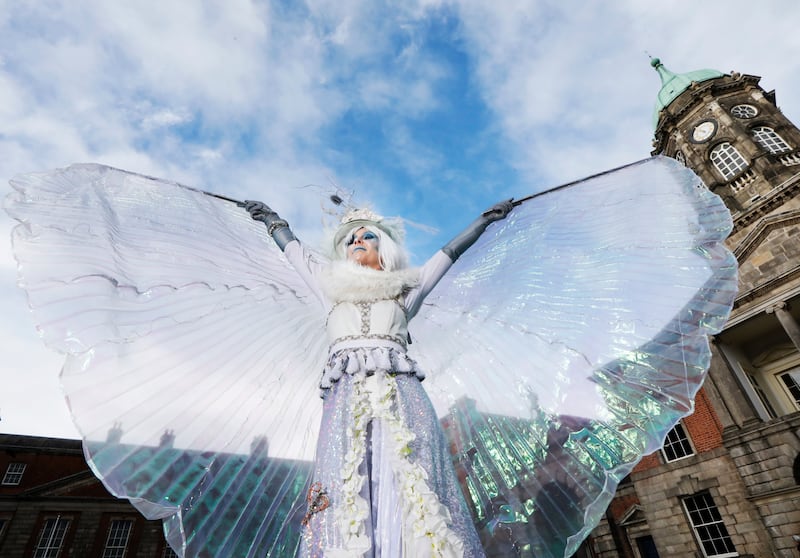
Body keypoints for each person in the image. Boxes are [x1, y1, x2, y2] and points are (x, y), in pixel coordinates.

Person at [240, 200, 513, 557]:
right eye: (351, 238)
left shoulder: (405, 292)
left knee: (410, 476)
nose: (357, 240)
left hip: (401, 398)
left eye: (367, 235)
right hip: (347, 399)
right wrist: (274, 222)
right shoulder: (330, 291)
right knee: (348, 479)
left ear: (383, 246)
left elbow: (447, 254)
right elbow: (297, 255)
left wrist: (483, 221)